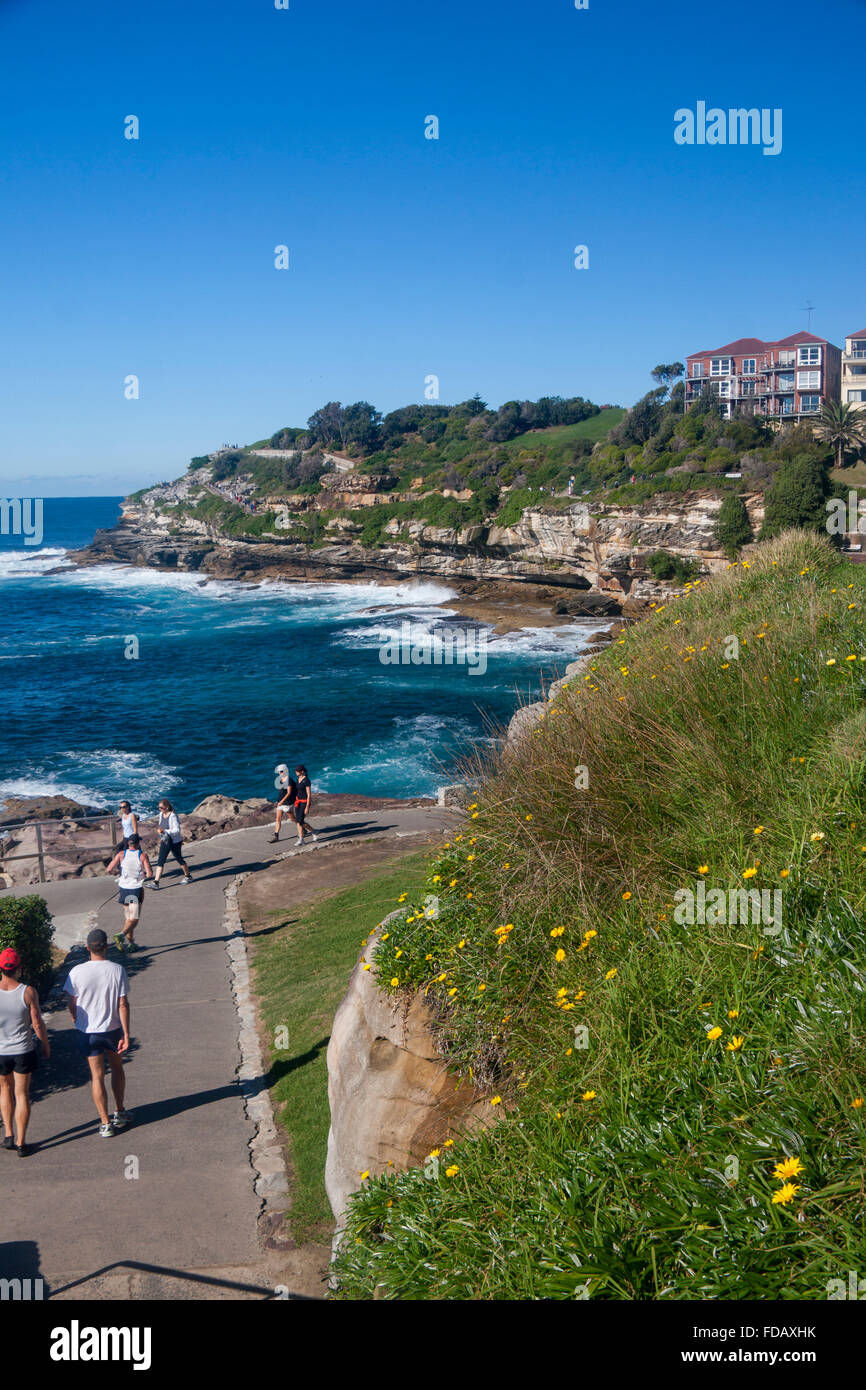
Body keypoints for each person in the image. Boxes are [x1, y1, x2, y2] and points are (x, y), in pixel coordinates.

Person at [64, 928, 131, 1138]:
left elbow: (71, 1002)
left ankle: (104, 1123)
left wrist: (76, 1019)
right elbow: (123, 1004)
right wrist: (126, 1033)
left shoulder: (76, 972)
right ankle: (119, 1110)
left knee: (97, 1076)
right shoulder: (117, 970)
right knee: (117, 1069)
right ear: (107, 946)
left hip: (88, 1032)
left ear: (87, 948)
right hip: (112, 1030)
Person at [0, 947, 50, 1157]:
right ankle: (22, 1143)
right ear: (19, 967)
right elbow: (37, 1023)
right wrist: (45, 1044)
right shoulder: (28, 992)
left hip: (0, 1051)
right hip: (23, 1050)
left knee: (4, 1090)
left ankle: (8, 1135)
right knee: (21, 1094)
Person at [106, 834, 153, 952]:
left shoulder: (121, 854)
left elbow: (109, 869)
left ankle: (131, 943)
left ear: (128, 844)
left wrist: (119, 873)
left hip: (123, 888)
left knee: (128, 918)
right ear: (137, 844)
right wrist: (143, 875)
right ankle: (120, 935)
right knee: (134, 919)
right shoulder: (142, 856)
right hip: (134, 889)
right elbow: (150, 874)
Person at [149, 799, 192, 888]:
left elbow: (176, 830)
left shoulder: (173, 816)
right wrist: (160, 832)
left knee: (179, 859)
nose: (159, 809)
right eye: (159, 807)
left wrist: (165, 831)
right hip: (165, 841)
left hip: (174, 842)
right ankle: (156, 882)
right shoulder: (161, 815)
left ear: (167, 807)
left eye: (161, 807)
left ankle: (188, 876)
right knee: (160, 861)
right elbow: (161, 826)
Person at [268, 764, 297, 843]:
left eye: (281, 771)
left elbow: (289, 793)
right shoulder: (280, 780)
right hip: (280, 803)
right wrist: (278, 801)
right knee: (278, 819)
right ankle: (276, 836)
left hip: (287, 803)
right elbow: (281, 793)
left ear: (285, 771)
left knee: (292, 819)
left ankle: (302, 827)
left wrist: (281, 801)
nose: (279, 773)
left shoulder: (289, 780)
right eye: (279, 772)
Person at [293, 766, 318, 845]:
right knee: (298, 821)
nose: (296, 772)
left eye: (297, 771)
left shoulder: (306, 780)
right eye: (295, 771)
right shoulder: (297, 780)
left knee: (300, 821)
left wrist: (307, 807)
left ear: (302, 771)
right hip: (298, 802)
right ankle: (301, 839)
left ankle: (313, 831)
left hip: (304, 802)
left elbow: (308, 794)